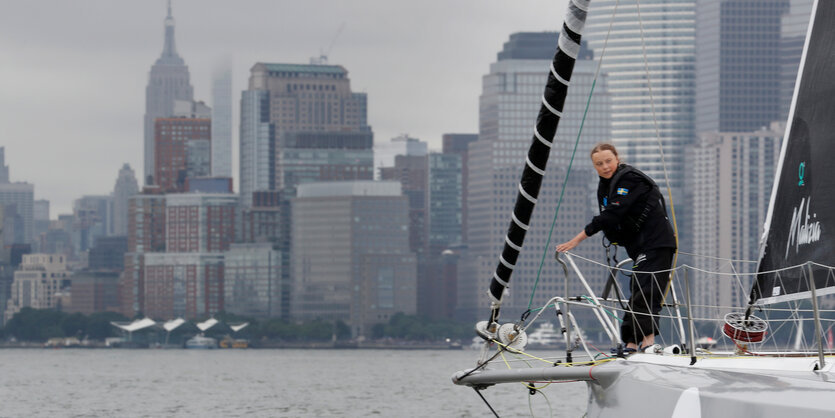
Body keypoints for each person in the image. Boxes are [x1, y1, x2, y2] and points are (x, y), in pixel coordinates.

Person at [556, 143, 676, 352]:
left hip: (657, 243)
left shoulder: (629, 179)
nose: (605, 166)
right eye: (599, 164)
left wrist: (578, 239)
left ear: (617, 158)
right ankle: (630, 343)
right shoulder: (606, 186)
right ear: (594, 167)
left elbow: (613, 213)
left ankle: (648, 342)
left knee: (647, 291)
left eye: (608, 161)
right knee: (637, 290)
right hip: (640, 247)